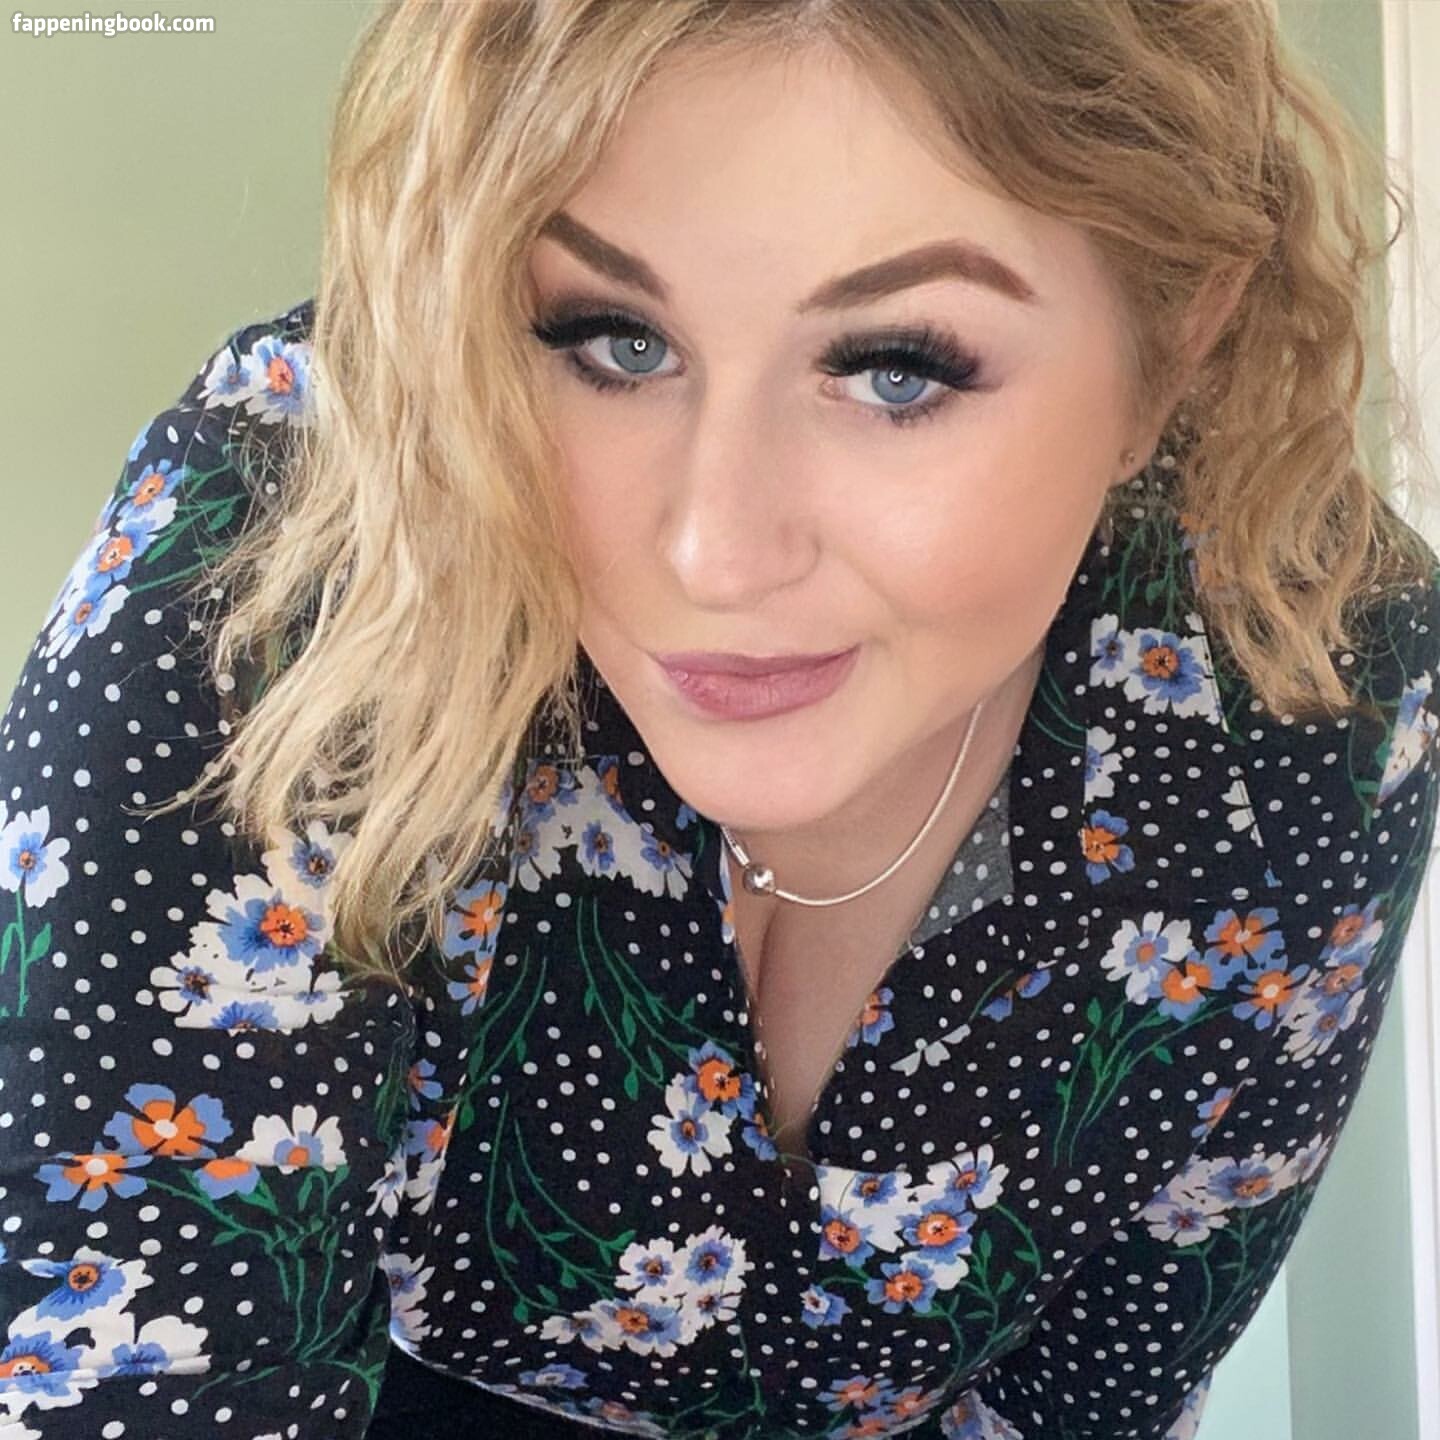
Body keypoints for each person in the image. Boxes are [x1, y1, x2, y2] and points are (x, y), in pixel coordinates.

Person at [2, 3, 1437, 1438]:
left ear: (1174, 347)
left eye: (897, 370)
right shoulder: (284, 556)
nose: (714, 553)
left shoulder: (1317, 686)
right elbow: (128, 1355)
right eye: (614, 342)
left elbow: (1093, 1387)